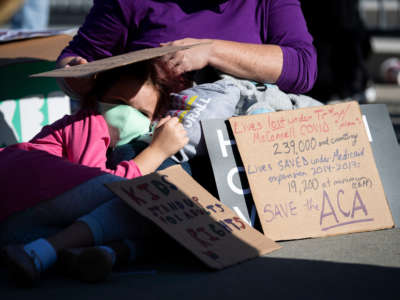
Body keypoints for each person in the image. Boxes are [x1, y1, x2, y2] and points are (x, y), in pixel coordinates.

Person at [0, 60, 190, 286]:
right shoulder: (89, 121)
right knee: (151, 200)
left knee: (147, 221)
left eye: (141, 112)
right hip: (20, 175)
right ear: (95, 101)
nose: (128, 115)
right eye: (118, 102)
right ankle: (47, 252)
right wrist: (158, 151)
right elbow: (113, 188)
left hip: (17, 217)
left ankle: (61, 253)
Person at [56, 0, 317, 101]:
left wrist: (210, 51)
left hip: (245, 143)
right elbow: (75, 60)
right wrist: (77, 77)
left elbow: (303, 69)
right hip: (152, 145)